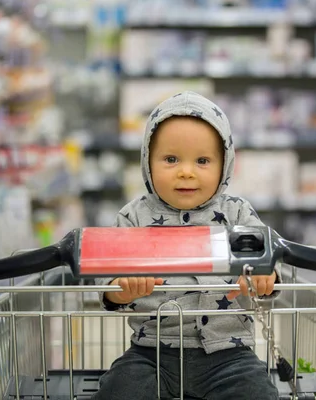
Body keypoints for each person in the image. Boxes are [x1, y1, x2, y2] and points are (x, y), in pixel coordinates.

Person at [94, 91, 281, 400]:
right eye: (171, 159)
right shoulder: (134, 216)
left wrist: (264, 279)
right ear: (147, 162)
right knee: (119, 388)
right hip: (150, 353)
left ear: (225, 165)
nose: (186, 171)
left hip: (230, 355)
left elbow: (269, 262)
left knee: (257, 391)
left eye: (203, 161)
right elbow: (106, 279)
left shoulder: (236, 213)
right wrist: (118, 288)